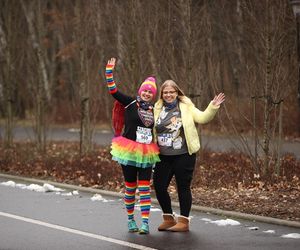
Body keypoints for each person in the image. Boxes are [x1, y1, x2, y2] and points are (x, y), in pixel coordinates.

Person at [153, 80, 225, 232]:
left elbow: (202, 118)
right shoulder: (157, 107)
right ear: (162, 94)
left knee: (183, 187)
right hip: (162, 156)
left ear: (177, 93)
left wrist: (213, 106)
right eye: (165, 92)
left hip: (183, 155)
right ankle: (168, 218)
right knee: (159, 187)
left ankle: (184, 221)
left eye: (171, 92)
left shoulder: (186, 106)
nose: (168, 95)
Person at [105, 57, 160, 234]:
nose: (147, 94)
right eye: (145, 91)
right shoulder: (130, 102)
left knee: (144, 188)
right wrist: (109, 72)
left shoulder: (154, 109)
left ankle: (145, 222)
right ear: (140, 91)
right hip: (129, 151)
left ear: (153, 95)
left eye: (150, 93)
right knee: (130, 187)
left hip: (146, 153)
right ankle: (130, 220)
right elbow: (113, 91)